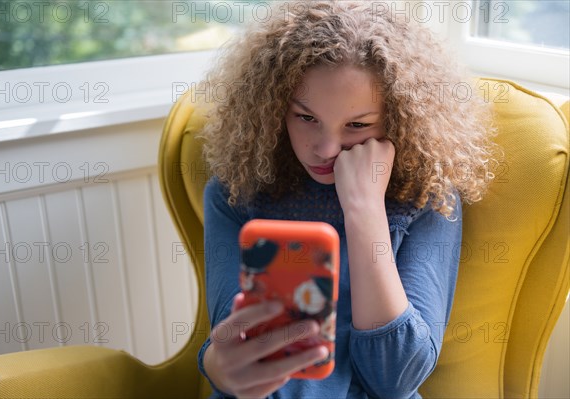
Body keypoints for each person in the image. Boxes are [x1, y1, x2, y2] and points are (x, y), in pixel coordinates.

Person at [196, 1, 496, 398]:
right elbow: (228, 347)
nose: (325, 148)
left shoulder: (427, 198)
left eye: (357, 125)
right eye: (305, 117)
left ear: (399, 117)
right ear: (274, 110)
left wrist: (364, 210)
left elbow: (396, 379)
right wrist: (220, 366)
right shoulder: (235, 192)